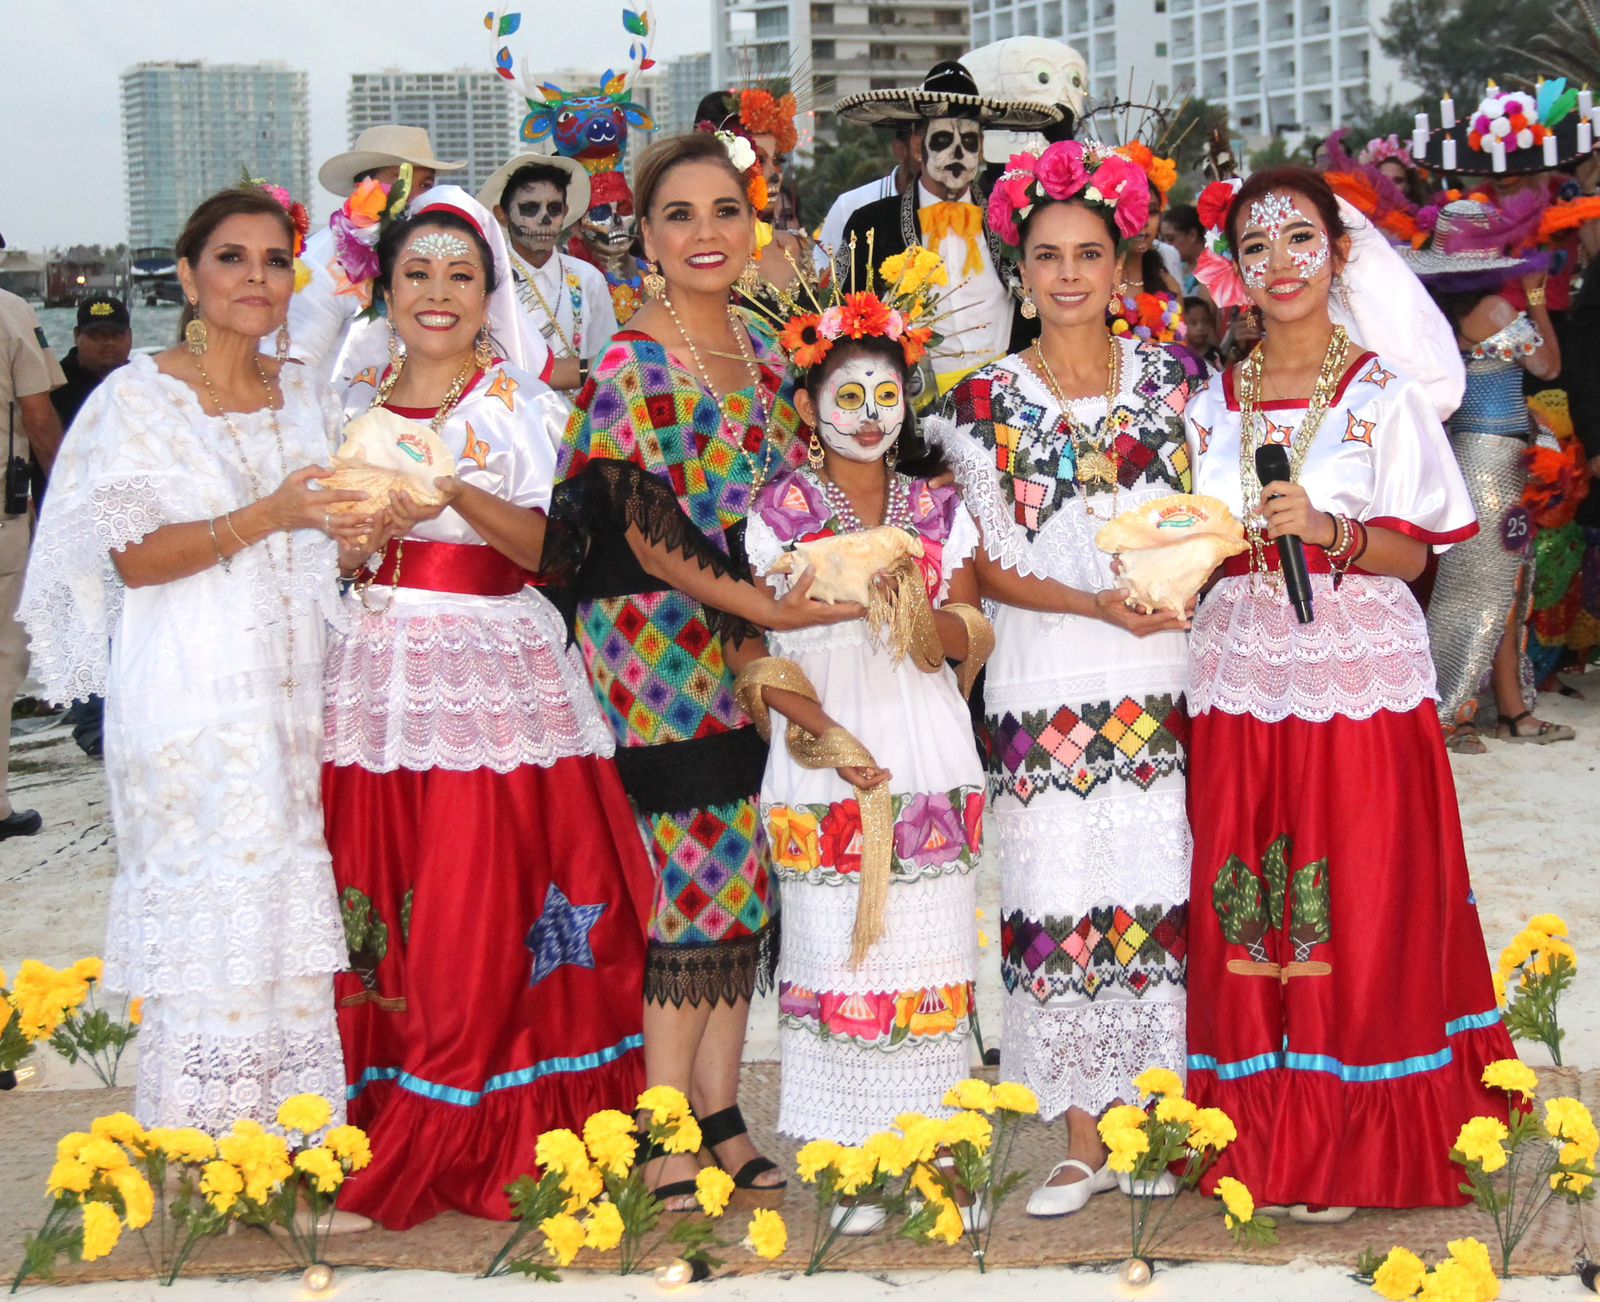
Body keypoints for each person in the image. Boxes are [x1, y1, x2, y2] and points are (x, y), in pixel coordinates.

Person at [1182, 167, 1516, 1214]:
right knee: (1252, 902)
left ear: (1337, 254)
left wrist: (1330, 531)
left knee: (1359, 897)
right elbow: (1187, 540)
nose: (1278, 264)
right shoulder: (1207, 403)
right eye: (1255, 246)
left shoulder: (1385, 396)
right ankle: (1264, 1130)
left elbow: (1419, 558)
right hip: (1240, 676)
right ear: (1232, 270)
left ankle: (1357, 1138)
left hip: (1357, 677)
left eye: (1299, 240)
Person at [322, 187, 653, 1228]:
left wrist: (456, 489)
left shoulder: (519, 409)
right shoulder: (354, 407)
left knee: (476, 902)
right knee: (385, 893)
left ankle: (479, 1110)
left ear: (489, 291)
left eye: (461, 275)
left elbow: (557, 553)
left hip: (488, 672)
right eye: (417, 273)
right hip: (375, 676)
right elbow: (342, 552)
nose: (438, 293)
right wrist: (356, 540)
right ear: (385, 289)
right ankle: (378, 1102)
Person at [18, 184, 374, 1131]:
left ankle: (291, 1148)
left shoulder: (304, 391)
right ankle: (202, 1147)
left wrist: (359, 532)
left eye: (275, 261)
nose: (256, 278)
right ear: (186, 275)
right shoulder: (138, 399)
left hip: (294, 704)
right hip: (188, 707)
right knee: (213, 939)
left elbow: (324, 544)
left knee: (287, 935)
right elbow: (136, 560)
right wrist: (272, 514)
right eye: (232, 259)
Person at [549, 132, 859, 1208]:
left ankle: (721, 1114)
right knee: (698, 878)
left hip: (754, 642)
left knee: (747, 876)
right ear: (644, 235)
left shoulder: (772, 354)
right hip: (657, 644)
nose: (705, 234)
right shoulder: (632, 362)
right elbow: (642, 530)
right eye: (678, 215)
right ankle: (662, 1128)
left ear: (753, 224)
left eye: (724, 211)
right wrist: (762, 608)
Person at [927, 140, 1195, 1218]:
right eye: (1048, 256)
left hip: (1163, 673)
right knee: (1056, 899)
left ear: (1122, 267)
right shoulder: (975, 402)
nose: (1069, 274)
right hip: (1042, 679)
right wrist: (1092, 603)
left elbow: (1207, 519)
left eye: (1089, 254)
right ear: (1020, 270)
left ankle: (1153, 1123)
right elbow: (980, 565)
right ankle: (1083, 1139)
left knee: (1155, 893)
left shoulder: (1177, 385)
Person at [740, 287, 991, 1216]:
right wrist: (822, 732)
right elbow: (755, 648)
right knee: (831, 954)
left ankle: (940, 1158)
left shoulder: (938, 506)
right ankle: (849, 1160)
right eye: (848, 396)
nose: (870, 415)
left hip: (925, 747)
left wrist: (920, 618)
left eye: (887, 395)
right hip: (820, 749)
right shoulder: (778, 510)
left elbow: (972, 628)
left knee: (930, 956)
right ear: (809, 408)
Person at [1407, 198, 1571, 750]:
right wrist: (1535, 300)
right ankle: (1446, 711)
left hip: (1474, 453)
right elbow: (1548, 365)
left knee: (1498, 581)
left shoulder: (1435, 316)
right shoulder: (1495, 312)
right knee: (1484, 585)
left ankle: (1510, 709)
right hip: (1491, 461)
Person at [836, 62, 1061, 395]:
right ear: (918, 147)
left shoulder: (1014, 218)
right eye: (942, 139)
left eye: (968, 141)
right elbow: (847, 321)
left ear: (981, 148)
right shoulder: (870, 225)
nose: (958, 152)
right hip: (913, 403)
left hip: (1009, 394)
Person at [287, 125, 466, 381]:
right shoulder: (322, 260)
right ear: (363, 187)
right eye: (400, 181)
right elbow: (295, 368)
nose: (413, 196)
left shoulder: (443, 258)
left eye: (425, 185)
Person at [48, 293, 133, 759]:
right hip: (71, 518)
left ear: (129, 337)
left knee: (126, 621)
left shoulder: (141, 383)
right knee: (81, 624)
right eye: (95, 336)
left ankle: (122, 715)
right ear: (77, 337)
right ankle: (90, 725)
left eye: (114, 335)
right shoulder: (55, 386)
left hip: (127, 519)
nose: (106, 345)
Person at [0, 285, 64, 840]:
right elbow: (38, 418)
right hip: (2, 522)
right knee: (2, 656)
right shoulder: (10, 311)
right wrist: (70, 495)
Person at [482, 153, 618, 391]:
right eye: (530, 208)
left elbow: (607, 363)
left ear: (565, 213)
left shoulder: (588, 278)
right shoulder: (488, 280)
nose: (544, 219)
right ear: (502, 215)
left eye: (554, 209)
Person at [814, 126, 918, 277]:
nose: (938, 157)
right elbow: (822, 276)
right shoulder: (850, 205)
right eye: (922, 148)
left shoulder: (954, 209)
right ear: (900, 150)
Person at [1161, 203, 1205, 295]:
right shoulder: (1175, 267)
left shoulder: (1212, 269)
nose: (1167, 245)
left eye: (1171, 239)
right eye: (1163, 240)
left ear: (1192, 235)